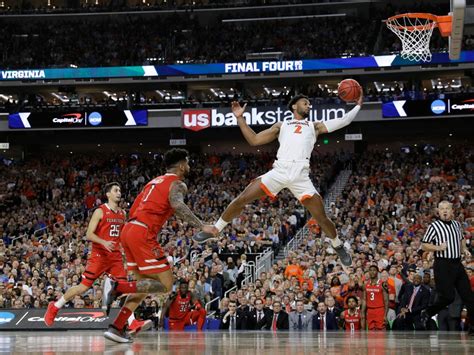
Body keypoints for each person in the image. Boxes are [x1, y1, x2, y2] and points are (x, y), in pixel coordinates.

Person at [194, 94, 364, 267]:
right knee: (242, 199)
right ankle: (216, 229)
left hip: (301, 175)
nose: (309, 106)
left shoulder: (315, 126)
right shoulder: (281, 125)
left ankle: (337, 245)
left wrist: (357, 106)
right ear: (294, 107)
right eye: (305, 103)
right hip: (280, 170)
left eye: (309, 103)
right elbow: (254, 140)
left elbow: (344, 121)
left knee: (321, 217)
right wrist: (240, 118)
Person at [102, 149, 217, 343]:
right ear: (181, 165)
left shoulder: (152, 182)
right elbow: (178, 206)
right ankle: (117, 286)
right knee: (165, 285)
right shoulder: (178, 184)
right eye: (188, 163)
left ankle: (116, 327)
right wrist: (202, 225)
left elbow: (136, 208)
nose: (189, 166)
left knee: (142, 287)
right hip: (143, 233)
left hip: (129, 229)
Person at [43, 182, 150, 334]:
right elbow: (89, 234)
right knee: (83, 287)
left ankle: (132, 322)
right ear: (108, 194)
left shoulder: (122, 214)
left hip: (115, 257)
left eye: (120, 190)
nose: (119, 193)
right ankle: (54, 307)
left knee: (125, 288)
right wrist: (103, 242)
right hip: (99, 255)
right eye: (116, 190)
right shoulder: (100, 211)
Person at [420, 201, 474, 335]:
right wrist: (438, 247)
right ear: (438, 211)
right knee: (448, 297)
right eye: (442, 209)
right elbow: (424, 245)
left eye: (447, 208)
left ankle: (472, 326)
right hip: (443, 264)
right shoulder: (434, 226)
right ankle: (428, 312)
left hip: (457, 264)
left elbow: (461, 238)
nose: (444, 211)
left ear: (451, 211)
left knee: (469, 296)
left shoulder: (456, 224)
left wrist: (464, 249)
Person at [361, 265, 389, 331]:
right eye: (370, 270)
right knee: (371, 331)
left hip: (380, 310)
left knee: (381, 331)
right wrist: (362, 312)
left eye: (374, 270)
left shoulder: (383, 284)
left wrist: (385, 314)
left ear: (377, 272)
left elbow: (386, 301)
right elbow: (364, 299)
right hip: (370, 310)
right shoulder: (365, 284)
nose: (372, 272)